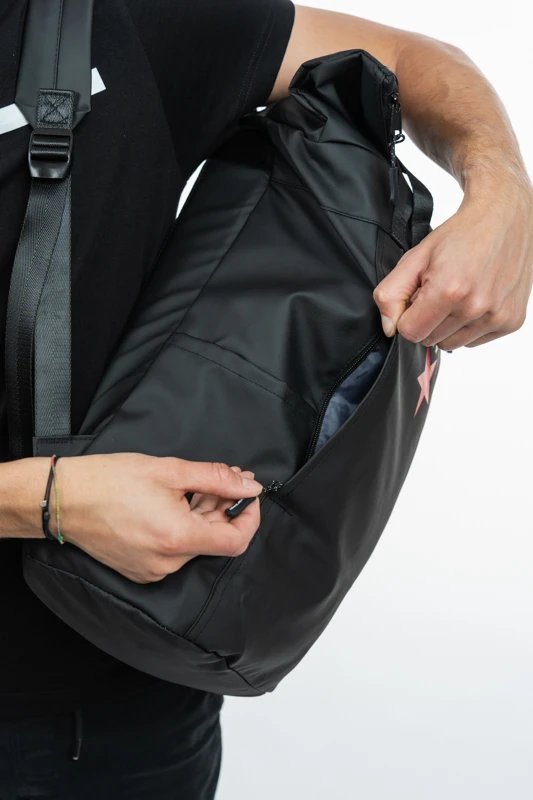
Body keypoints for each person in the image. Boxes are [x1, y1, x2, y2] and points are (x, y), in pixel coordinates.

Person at [0, 1, 531, 797]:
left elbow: (404, 59)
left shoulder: (104, 17)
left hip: (121, 700)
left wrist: (502, 193)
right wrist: (45, 502)